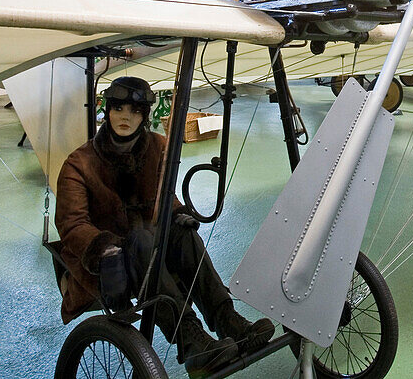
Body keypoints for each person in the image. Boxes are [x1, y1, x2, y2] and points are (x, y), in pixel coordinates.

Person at [55, 77, 274, 378]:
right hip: (109, 265)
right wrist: (103, 245)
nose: (125, 117)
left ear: (144, 115)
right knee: (142, 239)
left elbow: (164, 196)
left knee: (183, 234)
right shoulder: (79, 164)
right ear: (108, 111)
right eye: (118, 108)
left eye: (134, 111)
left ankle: (227, 319)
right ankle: (192, 341)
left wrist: (179, 214)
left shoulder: (157, 147)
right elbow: (72, 223)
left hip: (150, 246)